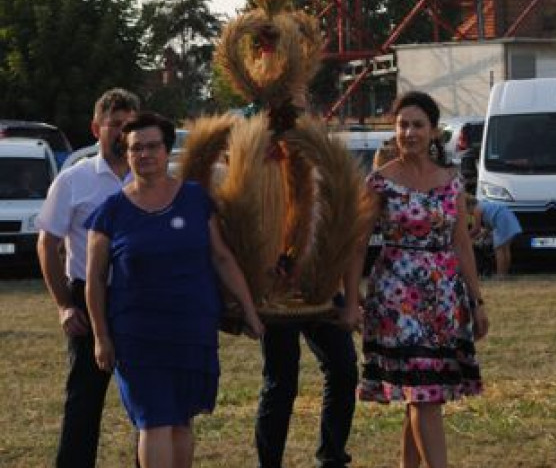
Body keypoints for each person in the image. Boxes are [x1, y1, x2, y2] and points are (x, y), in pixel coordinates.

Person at [85, 111, 264, 468]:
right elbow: (94, 281)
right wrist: (100, 336)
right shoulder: (110, 212)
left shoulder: (195, 199)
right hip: (137, 335)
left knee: (182, 420)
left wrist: (250, 311)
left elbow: (222, 258)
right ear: (127, 153)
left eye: (153, 147)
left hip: (191, 328)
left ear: (167, 151)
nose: (145, 154)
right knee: (153, 420)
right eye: (136, 148)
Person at [343, 91, 488, 468]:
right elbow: (356, 244)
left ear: (434, 132)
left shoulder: (452, 181)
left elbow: (462, 243)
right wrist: (349, 296)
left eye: (418, 125)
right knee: (423, 394)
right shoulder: (379, 182)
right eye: (403, 124)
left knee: (424, 396)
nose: (409, 132)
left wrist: (477, 300)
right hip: (396, 299)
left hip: (443, 299)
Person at [37, 87, 140, 468]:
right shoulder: (73, 180)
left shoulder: (149, 176)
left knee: (147, 403)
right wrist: (65, 305)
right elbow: (47, 244)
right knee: (84, 401)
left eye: (130, 126)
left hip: (138, 298)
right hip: (86, 298)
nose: (123, 133)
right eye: (115, 124)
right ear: (97, 128)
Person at [254, 258, 359, 468]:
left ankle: (332, 459)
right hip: (279, 291)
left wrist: (351, 300)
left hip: (322, 288)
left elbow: (349, 244)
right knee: (281, 382)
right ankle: (269, 464)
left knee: (344, 369)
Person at [467, 196, 522, 276]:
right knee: (505, 248)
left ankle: (500, 274)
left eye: (467, 211)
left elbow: (476, 228)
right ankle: (504, 274)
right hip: (509, 218)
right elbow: (488, 228)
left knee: (498, 249)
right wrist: (477, 238)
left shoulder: (476, 209)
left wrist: (466, 236)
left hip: (501, 220)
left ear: (469, 206)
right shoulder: (485, 204)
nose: (469, 214)